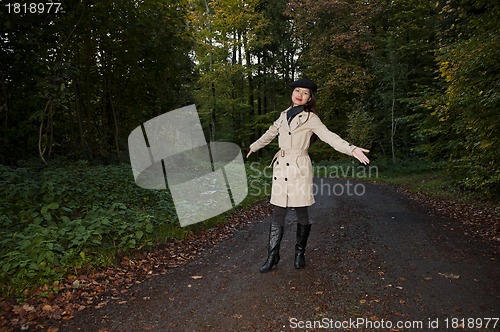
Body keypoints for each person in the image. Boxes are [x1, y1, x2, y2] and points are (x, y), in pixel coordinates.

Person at [246, 78, 370, 273]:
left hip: (299, 168)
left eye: (305, 93)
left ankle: (299, 252)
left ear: (310, 97)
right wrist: (254, 146)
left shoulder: (311, 118)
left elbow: (330, 137)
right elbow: (270, 133)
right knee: (278, 212)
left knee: (301, 211)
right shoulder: (283, 115)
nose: (300, 95)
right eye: (297, 91)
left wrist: (351, 149)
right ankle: (273, 255)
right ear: (292, 93)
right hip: (281, 167)